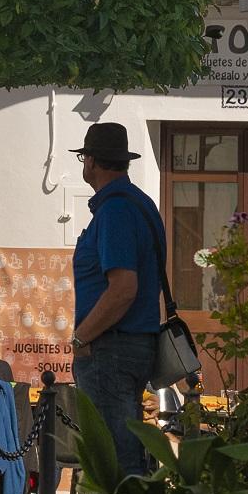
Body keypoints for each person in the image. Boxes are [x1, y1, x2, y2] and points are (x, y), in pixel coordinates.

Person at [68, 121, 166, 476]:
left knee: (116, 462)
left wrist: (81, 337)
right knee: (123, 455)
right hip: (132, 344)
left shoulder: (115, 211)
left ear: (90, 161)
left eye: (84, 158)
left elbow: (124, 288)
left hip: (112, 348)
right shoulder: (140, 204)